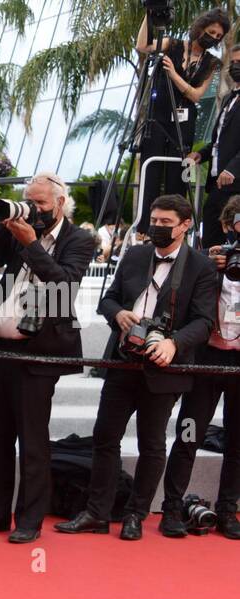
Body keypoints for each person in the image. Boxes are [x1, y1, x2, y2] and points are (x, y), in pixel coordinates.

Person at [57, 194, 216, 540]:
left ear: (185, 225)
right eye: (153, 221)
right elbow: (107, 299)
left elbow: (204, 321)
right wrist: (118, 314)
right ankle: (96, 513)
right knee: (104, 438)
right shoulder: (135, 255)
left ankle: (136, 514)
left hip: (165, 369)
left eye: (165, 223)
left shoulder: (201, 267)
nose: (156, 228)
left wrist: (173, 343)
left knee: (152, 444)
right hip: (122, 363)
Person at [0, 172, 94, 543]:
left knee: (32, 439)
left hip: (41, 353)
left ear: (60, 203)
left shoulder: (80, 240)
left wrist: (32, 244)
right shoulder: (15, 231)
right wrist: (7, 224)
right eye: (29, 201)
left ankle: (29, 520)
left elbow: (63, 284)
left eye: (40, 203)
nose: (34, 209)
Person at [161, 194, 240, 539]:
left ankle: (228, 510)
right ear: (226, 227)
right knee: (189, 433)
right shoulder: (207, 264)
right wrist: (211, 269)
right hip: (207, 360)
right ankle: (173, 507)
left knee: (238, 442)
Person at [132, 9, 229, 232]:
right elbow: (143, 46)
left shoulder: (211, 62)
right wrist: (149, 14)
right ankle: (146, 229)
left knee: (178, 176)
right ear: (201, 27)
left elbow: (196, 95)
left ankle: (175, 228)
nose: (213, 37)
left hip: (184, 124)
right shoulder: (173, 44)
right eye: (211, 31)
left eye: (218, 36)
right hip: (158, 117)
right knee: (152, 172)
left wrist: (174, 74)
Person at [189, 42, 240, 248]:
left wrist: (232, 169)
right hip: (217, 183)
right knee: (210, 237)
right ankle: (211, 279)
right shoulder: (229, 98)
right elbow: (219, 140)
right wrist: (201, 154)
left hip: (235, 183)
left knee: (234, 238)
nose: (236, 66)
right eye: (234, 62)